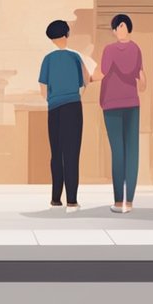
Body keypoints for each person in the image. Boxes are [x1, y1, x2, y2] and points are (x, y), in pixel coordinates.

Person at [38, 20, 94, 213]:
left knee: (56, 153)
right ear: (67, 34)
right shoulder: (76, 57)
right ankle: (71, 200)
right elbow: (87, 81)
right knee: (72, 154)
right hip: (73, 107)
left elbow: (43, 90)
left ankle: (55, 198)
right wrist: (77, 96)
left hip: (54, 109)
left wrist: (52, 100)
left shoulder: (47, 59)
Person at [100, 13, 145, 214]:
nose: (119, 30)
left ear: (116, 29)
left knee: (117, 151)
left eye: (119, 27)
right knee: (132, 151)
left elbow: (102, 73)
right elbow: (142, 81)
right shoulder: (136, 49)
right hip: (132, 103)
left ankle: (119, 202)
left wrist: (85, 79)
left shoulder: (109, 50)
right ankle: (131, 201)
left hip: (111, 104)